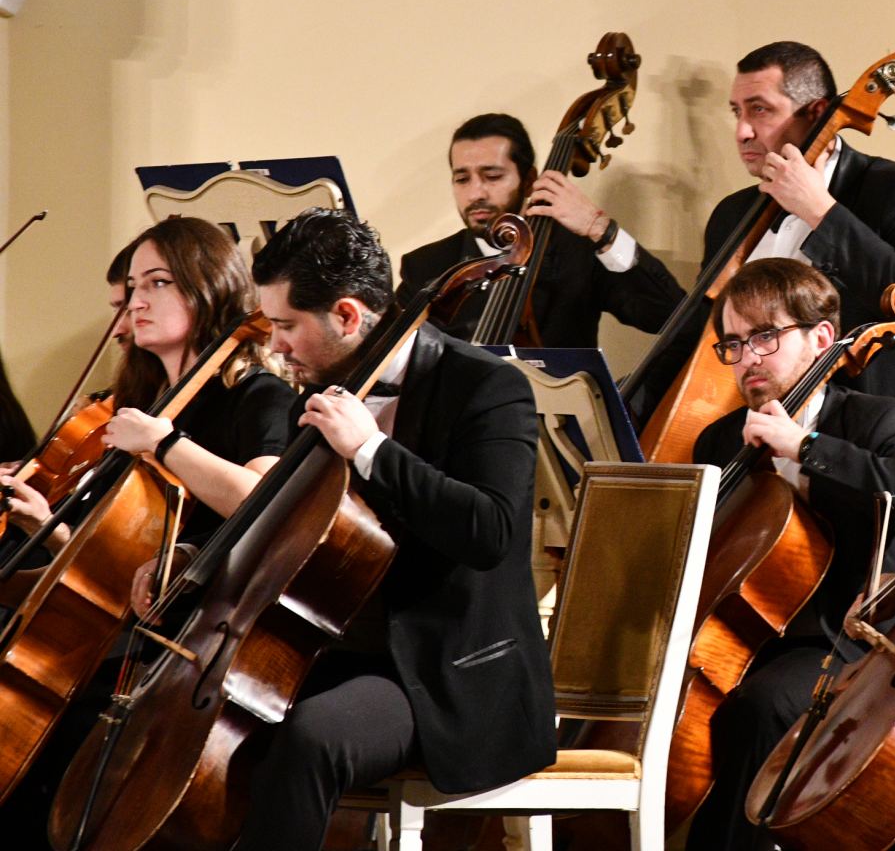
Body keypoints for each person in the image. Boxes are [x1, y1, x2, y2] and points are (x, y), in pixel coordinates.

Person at [225, 207, 553, 851]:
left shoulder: (487, 387)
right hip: (341, 649)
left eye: (288, 326)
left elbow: (490, 531)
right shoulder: (319, 396)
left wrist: (372, 449)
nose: (278, 346)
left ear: (348, 315)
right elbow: (282, 526)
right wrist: (185, 564)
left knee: (314, 735)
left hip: (446, 672)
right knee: (214, 722)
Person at [0, 216, 294, 846]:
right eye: (134, 285)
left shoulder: (255, 394)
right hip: (119, 627)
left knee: (63, 748)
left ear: (208, 287)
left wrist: (168, 444)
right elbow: (114, 558)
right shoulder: (142, 400)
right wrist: (45, 533)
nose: (136, 300)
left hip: (188, 649)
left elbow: (263, 498)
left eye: (158, 282)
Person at [686, 257, 895, 850]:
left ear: (822, 338)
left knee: (757, 709)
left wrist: (806, 447)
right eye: (733, 344)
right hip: (735, 640)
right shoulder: (721, 439)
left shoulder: (878, 419)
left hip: (842, 644)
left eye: (764, 337)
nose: (747, 358)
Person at [599, 42, 895, 444]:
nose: (742, 131)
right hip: (750, 443)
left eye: (759, 109)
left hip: (865, 442)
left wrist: (821, 210)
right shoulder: (732, 214)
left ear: (816, 113)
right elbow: (701, 335)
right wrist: (620, 403)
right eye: (737, 111)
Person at [395, 111, 684, 345]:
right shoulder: (425, 268)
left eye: (492, 176)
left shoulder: (577, 253)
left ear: (530, 179)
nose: (475, 194)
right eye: (462, 179)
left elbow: (671, 317)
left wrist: (601, 230)